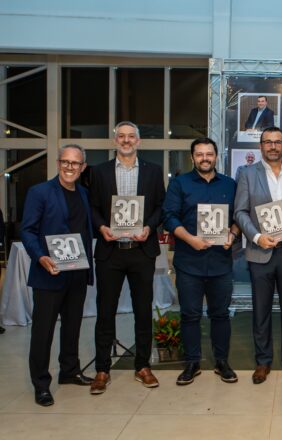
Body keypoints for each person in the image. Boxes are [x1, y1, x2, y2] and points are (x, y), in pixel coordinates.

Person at [89, 121, 166, 395]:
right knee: (105, 312)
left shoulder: (153, 172)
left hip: (141, 253)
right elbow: (93, 207)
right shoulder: (98, 172)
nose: (126, 141)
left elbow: (160, 206)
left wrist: (149, 227)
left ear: (139, 141)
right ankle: (102, 369)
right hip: (110, 252)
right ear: (114, 141)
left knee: (143, 312)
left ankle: (143, 366)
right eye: (121, 136)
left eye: (130, 137)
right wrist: (101, 228)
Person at [234, 126, 282, 384]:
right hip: (260, 252)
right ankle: (263, 361)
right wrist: (256, 236)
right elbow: (240, 212)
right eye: (268, 142)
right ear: (261, 146)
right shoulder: (246, 173)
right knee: (261, 311)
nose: (273, 146)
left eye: (277, 142)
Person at [163, 137, 240, 385]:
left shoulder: (230, 184)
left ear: (216, 156)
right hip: (189, 261)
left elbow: (238, 216)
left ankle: (222, 362)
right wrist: (190, 239)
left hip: (220, 261)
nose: (204, 158)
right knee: (190, 315)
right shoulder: (179, 183)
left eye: (209, 154)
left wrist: (233, 234)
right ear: (192, 157)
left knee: (221, 315)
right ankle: (192, 363)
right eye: (199, 154)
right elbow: (169, 217)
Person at [21, 144, 94, 406]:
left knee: (72, 326)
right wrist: (40, 257)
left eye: (75, 163)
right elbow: (27, 230)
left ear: (83, 167)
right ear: (58, 163)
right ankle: (41, 384)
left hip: (77, 272)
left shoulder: (84, 194)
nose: (70, 167)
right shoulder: (39, 192)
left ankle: (70, 371)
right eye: (65, 162)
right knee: (43, 331)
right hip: (49, 273)